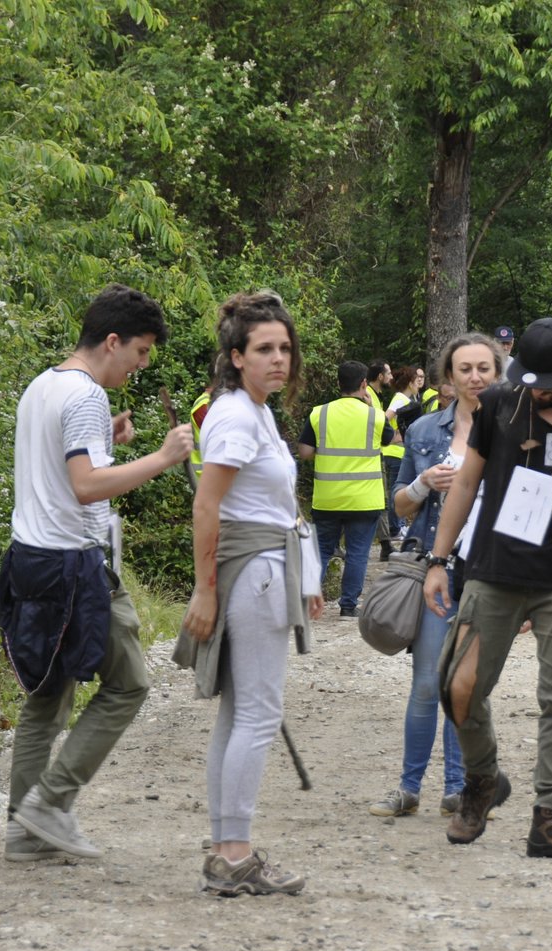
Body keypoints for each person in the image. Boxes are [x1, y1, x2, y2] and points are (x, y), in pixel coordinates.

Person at [423, 317, 552, 862]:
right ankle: (483, 780)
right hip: (493, 570)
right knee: (458, 687)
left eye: (547, 380)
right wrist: (439, 560)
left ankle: (551, 816)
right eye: (528, 379)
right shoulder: (500, 404)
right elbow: (467, 482)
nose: (536, 390)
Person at [1, 283, 194, 862]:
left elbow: (61, 470)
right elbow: (86, 488)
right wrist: (161, 459)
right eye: (139, 353)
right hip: (71, 566)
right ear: (112, 342)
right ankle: (49, 805)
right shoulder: (85, 396)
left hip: (29, 559)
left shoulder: (44, 385)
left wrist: (109, 443)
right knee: (130, 683)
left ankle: (24, 831)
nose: (140, 366)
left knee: (47, 698)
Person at [176, 290, 322, 897]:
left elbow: (274, 506)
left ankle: (225, 849)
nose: (278, 359)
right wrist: (203, 591)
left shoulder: (255, 410)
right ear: (237, 356)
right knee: (258, 715)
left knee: (240, 715)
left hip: (266, 564)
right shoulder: (237, 415)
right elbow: (207, 506)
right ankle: (234, 854)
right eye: (264, 349)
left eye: (284, 348)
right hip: (254, 571)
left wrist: (307, 574)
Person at [369, 333, 502, 819]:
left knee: (463, 684)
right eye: (464, 369)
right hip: (433, 567)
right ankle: (408, 788)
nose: (474, 377)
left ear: (497, 373)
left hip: (486, 572)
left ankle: (457, 787)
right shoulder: (424, 430)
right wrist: (424, 484)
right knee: (427, 682)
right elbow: (398, 503)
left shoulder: (512, 430)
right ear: (449, 377)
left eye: (483, 368)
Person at [297, 360, 395, 617]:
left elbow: (305, 452)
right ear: (364, 384)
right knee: (358, 553)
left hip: (327, 499)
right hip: (365, 500)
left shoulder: (320, 413)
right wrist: (373, 408)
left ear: (338, 383)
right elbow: (390, 439)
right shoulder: (374, 416)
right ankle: (348, 606)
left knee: (322, 551)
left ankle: (307, 604)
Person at [379, 366, 422, 559]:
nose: (419, 383)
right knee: (397, 490)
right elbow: (384, 419)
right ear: (409, 382)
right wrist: (394, 437)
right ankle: (396, 528)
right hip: (394, 452)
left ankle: (399, 525)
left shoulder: (408, 399)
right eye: (416, 380)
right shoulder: (400, 399)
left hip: (400, 452)